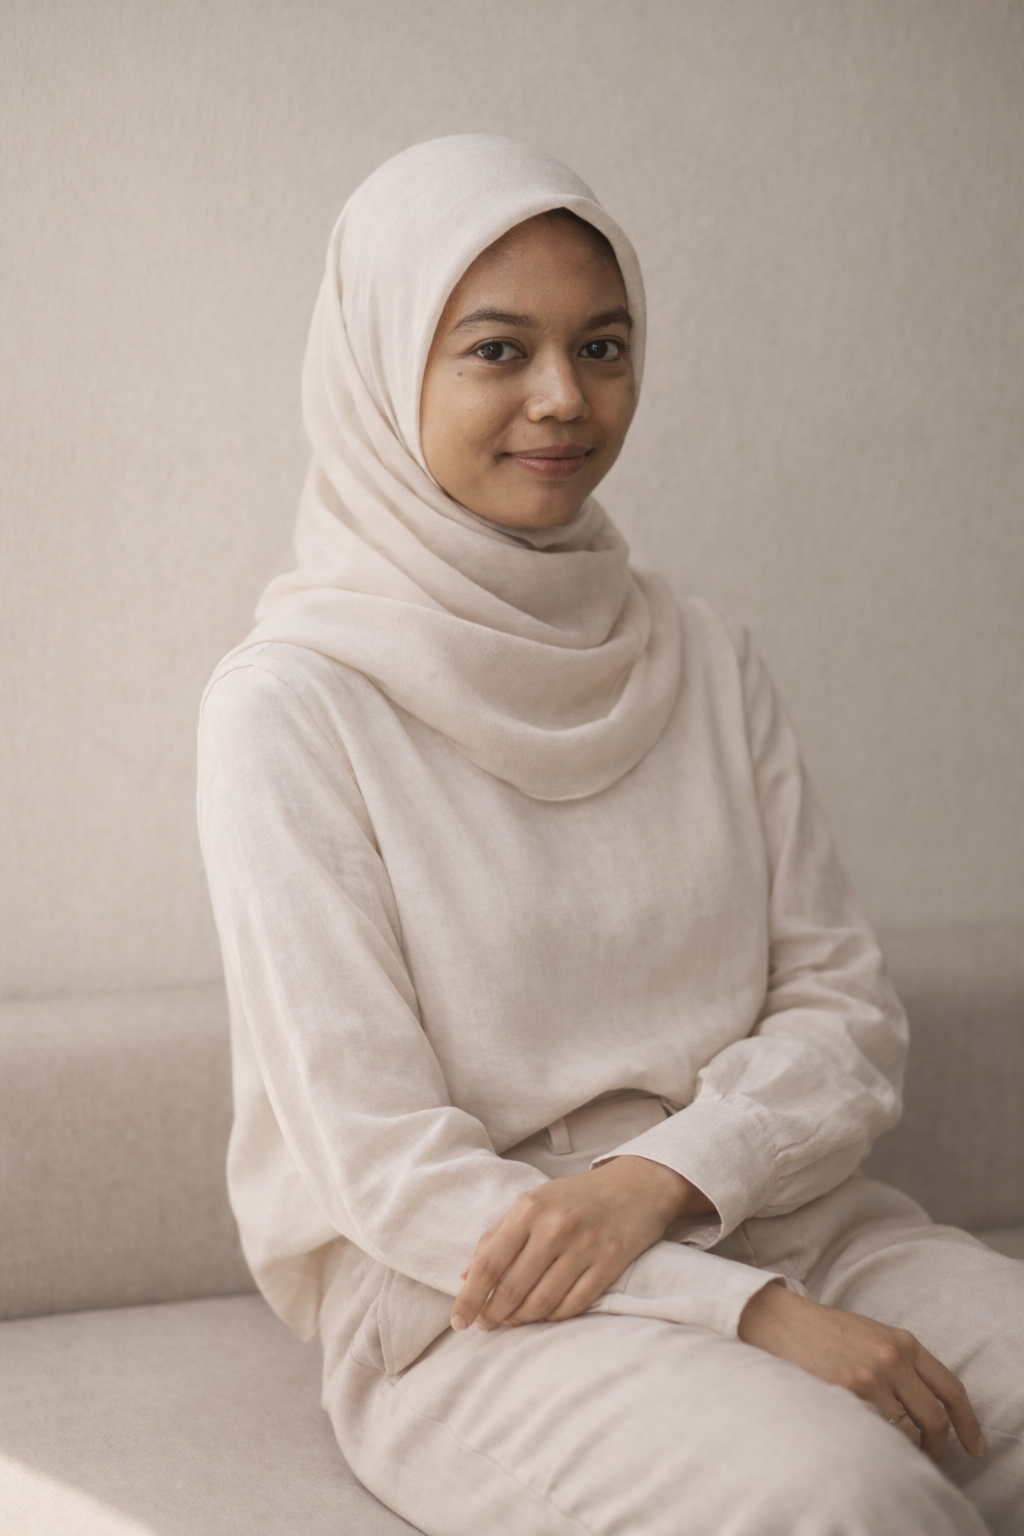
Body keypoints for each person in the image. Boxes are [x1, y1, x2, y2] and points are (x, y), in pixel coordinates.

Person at [197, 135, 1022, 1535]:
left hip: (790, 1213)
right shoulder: (290, 710)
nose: (563, 399)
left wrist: (664, 1186)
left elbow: (845, 1014)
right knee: (840, 1499)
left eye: (604, 344)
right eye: (497, 350)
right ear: (385, 369)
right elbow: (383, 1163)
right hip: (481, 1303)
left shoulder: (705, 656)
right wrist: (743, 1313)